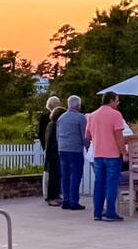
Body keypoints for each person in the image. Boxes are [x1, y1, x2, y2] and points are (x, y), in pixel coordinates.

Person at [86, 92, 128, 221]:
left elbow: (87, 135)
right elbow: (119, 137)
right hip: (112, 154)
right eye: (117, 100)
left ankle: (97, 212)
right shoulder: (116, 115)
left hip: (98, 153)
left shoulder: (92, 115)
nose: (118, 103)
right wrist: (123, 153)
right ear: (111, 101)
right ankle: (110, 212)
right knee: (111, 184)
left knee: (99, 183)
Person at [54, 95, 88, 211]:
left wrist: (60, 145)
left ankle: (66, 200)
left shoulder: (61, 118)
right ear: (77, 105)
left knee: (65, 175)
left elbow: (57, 135)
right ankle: (74, 201)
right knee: (75, 175)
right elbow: (84, 136)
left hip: (62, 149)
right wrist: (88, 147)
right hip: (75, 149)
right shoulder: (80, 118)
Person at [38, 95, 62, 205]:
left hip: (56, 149)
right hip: (49, 148)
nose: (59, 105)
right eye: (57, 104)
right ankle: (49, 196)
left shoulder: (59, 117)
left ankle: (56, 194)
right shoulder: (46, 118)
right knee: (49, 172)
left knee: (56, 172)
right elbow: (41, 134)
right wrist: (45, 147)